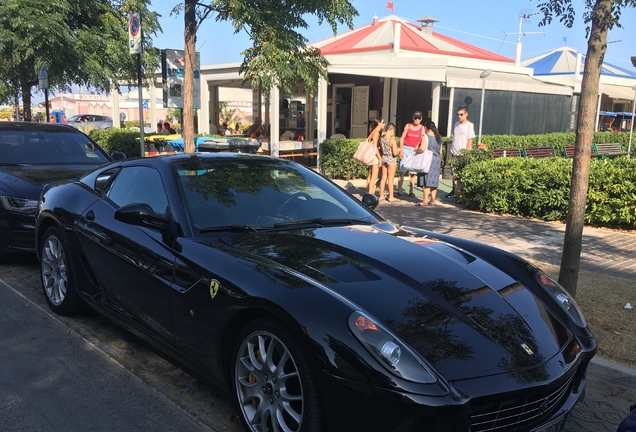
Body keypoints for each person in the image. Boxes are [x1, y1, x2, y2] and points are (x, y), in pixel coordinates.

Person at [446, 105, 476, 198]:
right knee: (454, 173)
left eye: (461, 114)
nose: (459, 116)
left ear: (466, 114)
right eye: (457, 114)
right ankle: (454, 190)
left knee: (462, 174)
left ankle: (461, 192)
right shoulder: (456, 124)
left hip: (463, 154)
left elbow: (469, 140)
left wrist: (466, 154)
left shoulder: (469, 125)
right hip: (454, 152)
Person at [398, 111, 426, 197]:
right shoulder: (408, 126)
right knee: (402, 171)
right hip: (406, 148)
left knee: (413, 173)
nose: (417, 120)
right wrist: (401, 150)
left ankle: (411, 191)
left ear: (421, 119)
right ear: (413, 118)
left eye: (419, 118)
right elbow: (402, 137)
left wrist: (420, 149)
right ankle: (399, 190)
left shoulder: (422, 128)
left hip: (415, 151)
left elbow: (424, 140)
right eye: (415, 118)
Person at [416, 120, 442, 206]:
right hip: (437, 160)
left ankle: (425, 200)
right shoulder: (439, 137)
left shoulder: (425, 136)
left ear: (426, 128)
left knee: (426, 180)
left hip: (428, 160)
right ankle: (433, 200)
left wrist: (416, 149)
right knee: (434, 181)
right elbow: (440, 151)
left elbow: (422, 148)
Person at [378, 123, 401, 202]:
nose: (394, 133)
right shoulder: (392, 140)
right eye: (393, 131)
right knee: (390, 179)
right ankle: (391, 196)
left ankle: (381, 195)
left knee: (383, 177)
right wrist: (399, 150)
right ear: (391, 130)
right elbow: (394, 153)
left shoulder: (382, 139)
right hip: (391, 160)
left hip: (384, 158)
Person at [365, 119, 384, 195]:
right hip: (374, 156)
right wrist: (380, 158)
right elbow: (375, 147)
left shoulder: (372, 132)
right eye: (382, 122)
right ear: (378, 123)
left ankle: (368, 191)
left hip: (371, 156)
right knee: (374, 176)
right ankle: (370, 193)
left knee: (370, 175)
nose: (384, 124)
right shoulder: (376, 133)